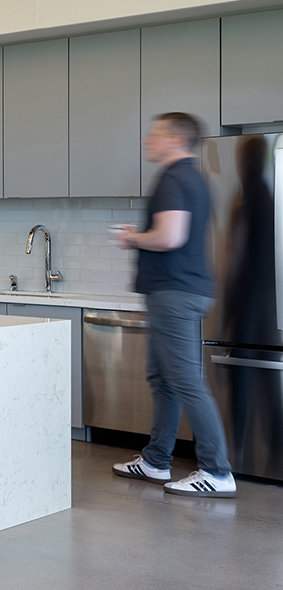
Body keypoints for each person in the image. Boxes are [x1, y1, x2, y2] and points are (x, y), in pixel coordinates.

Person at [112, 112, 235, 496]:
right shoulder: (191, 178)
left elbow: (169, 236)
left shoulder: (173, 178)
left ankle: (217, 472)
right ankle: (155, 461)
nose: (149, 139)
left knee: (185, 382)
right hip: (173, 292)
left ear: (175, 139)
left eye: (156, 134)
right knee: (163, 379)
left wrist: (133, 237)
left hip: (175, 293)